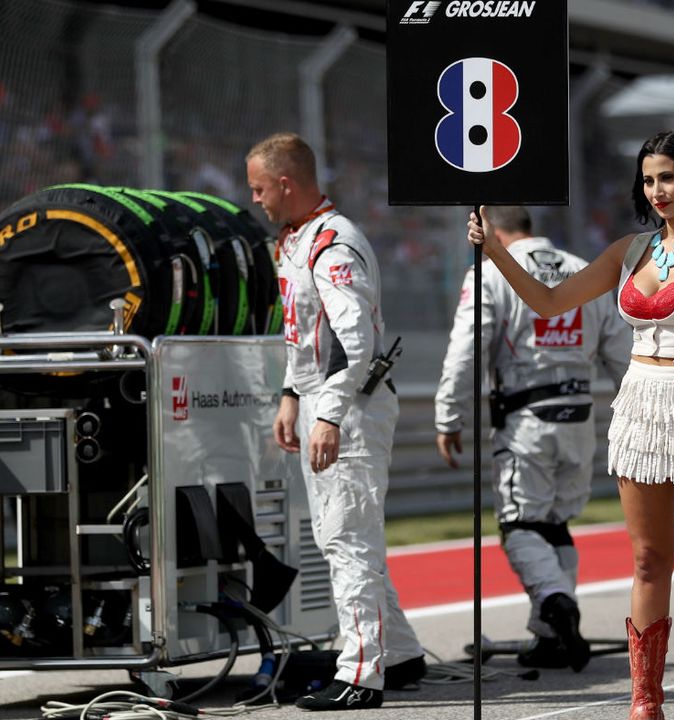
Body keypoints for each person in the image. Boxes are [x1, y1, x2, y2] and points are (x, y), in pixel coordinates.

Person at [467, 130, 674, 720]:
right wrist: (497, 252)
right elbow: (551, 303)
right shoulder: (629, 250)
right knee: (649, 561)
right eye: (649, 180)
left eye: (669, 177)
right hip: (639, 408)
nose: (657, 190)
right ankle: (645, 704)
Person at [247, 132, 425, 711]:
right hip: (324, 401)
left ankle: (360, 674)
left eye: (258, 189)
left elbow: (356, 342)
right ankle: (397, 654)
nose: (255, 200)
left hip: (351, 406)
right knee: (342, 536)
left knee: (347, 541)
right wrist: (289, 396)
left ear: (286, 183)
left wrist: (326, 413)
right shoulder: (294, 240)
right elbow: (305, 338)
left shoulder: (332, 243)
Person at [434, 206, 631, 672]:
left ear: (492, 230)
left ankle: (555, 600)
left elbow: (466, 350)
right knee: (555, 522)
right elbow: (621, 351)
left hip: (526, 418)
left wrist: (449, 416)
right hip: (579, 416)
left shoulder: (490, 271)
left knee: (520, 524)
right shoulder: (583, 268)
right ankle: (551, 638)